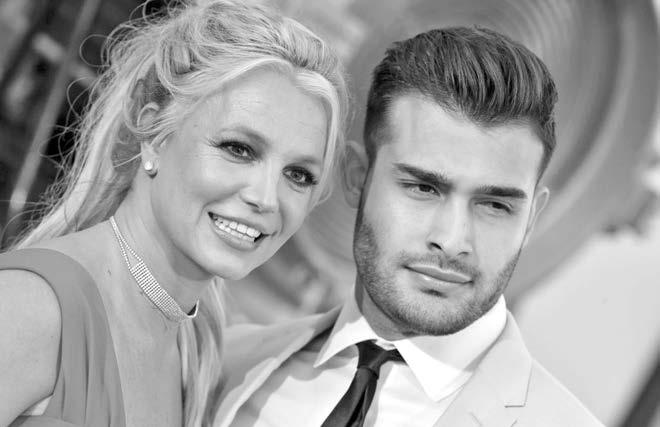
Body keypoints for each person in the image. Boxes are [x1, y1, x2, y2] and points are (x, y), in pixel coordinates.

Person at [214, 27, 604, 426]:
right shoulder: (226, 366)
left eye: (495, 205)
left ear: (531, 218)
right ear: (357, 177)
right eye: (424, 188)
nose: (452, 240)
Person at [0, 0, 348, 425]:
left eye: (298, 175)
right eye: (239, 149)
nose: (267, 198)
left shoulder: (196, 352)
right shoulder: (31, 307)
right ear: (153, 134)